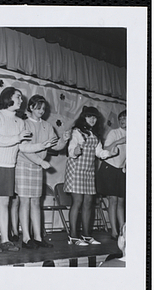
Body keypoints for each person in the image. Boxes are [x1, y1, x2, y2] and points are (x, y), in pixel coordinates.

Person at [0, 87, 58, 253]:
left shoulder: (20, 122)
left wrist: (41, 146)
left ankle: (5, 240)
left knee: (5, 203)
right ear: (8, 98)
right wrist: (18, 137)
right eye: (18, 97)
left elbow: (23, 146)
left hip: (9, 165)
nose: (22, 100)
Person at [14, 95, 71, 249]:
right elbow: (24, 149)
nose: (41, 111)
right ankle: (26, 238)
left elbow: (56, 146)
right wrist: (40, 161)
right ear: (31, 107)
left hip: (39, 166)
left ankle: (38, 237)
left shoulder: (47, 126)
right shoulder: (24, 124)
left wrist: (64, 140)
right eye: (38, 108)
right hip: (24, 165)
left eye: (44, 108)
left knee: (36, 203)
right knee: (25, 201)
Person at [64, 106, 118, 246]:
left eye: (94, 117)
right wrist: (76, 150)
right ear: (83, 117)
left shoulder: (95, 135)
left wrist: (110, 153)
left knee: (89, 203)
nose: (92, 119)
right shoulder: (76, 132)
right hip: (76, 170)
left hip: (88, 172)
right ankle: (73, 236)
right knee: (78, 202)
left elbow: (99, 153)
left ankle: (87, 235)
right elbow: (71, 151)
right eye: (89, 116)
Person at [97, 110, 126, 240]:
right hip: (109, 167)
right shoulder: (114, 132)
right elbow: (106, 149)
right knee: (113, 200)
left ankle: (122, 230)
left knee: (121, 201)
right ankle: (113, 230)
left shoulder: (137, 134)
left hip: (121, 170)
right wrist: (119, 141)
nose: (122, 121)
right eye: (121, 119)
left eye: (125, 118)